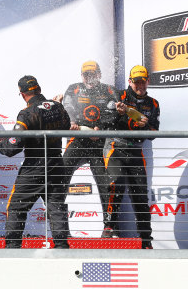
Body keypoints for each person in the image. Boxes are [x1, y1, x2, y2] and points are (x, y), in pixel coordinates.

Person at [0, 76, 71, 249]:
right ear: (39, 89)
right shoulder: (58, 106)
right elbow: (66, 125)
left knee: (16, 207)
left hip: (35, 166)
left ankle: (12, 249)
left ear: (22, 94)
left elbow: (13, 146)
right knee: (56, 207)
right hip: (56, 163)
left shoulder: (27, 113)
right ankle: (62, 247)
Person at [102, 65, 159, 249]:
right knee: (115, 183)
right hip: (115, 147)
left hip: (136, 150)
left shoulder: (153, 103)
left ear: (148, 81)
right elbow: (104, 122)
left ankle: (146, 240)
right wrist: (117, 114)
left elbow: (152, 133)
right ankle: (108, 228)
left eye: (143, 82)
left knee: (141, 195)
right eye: (136, 82)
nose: (140, 86)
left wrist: (144, 126)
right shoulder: (119, 96)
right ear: (130, 82)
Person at [61, 61, 119, 228]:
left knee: (105, 183)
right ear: (82, 75)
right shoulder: (75, 88)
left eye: (92, 73)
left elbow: (116, 113)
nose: (89, 77)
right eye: (86, 74)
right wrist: (71, 121)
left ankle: (109, 227)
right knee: (60, 176)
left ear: (99, 74)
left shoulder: (108, 90)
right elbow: (67, 107)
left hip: (99, 142)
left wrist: (100, 127)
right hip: (78, 140)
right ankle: (60, 228)